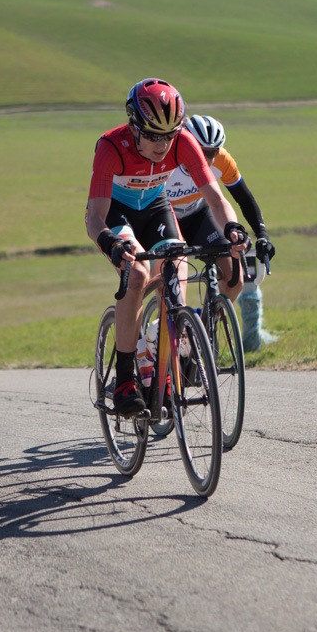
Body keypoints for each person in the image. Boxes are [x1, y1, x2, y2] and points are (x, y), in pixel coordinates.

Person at [85, 78, 248, 417]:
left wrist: (232, 227)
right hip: (117, 212)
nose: (163, 145)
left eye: (170, 134)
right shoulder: (111, 147)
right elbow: (94, 216)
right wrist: (111, 243)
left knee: (177, 267)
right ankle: (125, 381)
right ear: (134, 126)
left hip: (156, 206)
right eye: (155, 135)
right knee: (138, 272)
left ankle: (164, 362)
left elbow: (216, 199)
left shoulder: (182, 142)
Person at [163, 114, 275, 303]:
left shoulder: (223, 160)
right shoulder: (167, 161)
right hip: (166, 215)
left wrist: (262, 234)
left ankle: (206, 328)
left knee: (234, 281)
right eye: (202, 152)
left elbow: (244, 199)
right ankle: (171, 325)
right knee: (172, 281)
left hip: (198, 213)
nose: (208, 160)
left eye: (213, 152)